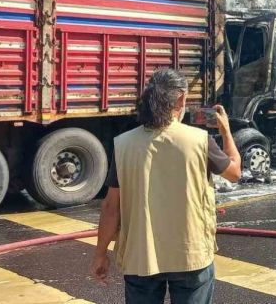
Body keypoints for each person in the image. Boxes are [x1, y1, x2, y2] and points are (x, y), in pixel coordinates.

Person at [91, 68, 242, 304]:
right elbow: (234, 172)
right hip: (190, 255)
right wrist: (226, 131)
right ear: (181, 98)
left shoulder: (124, 145)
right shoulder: (200, 140)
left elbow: (111, 208)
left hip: (141, 257)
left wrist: (100, 254)